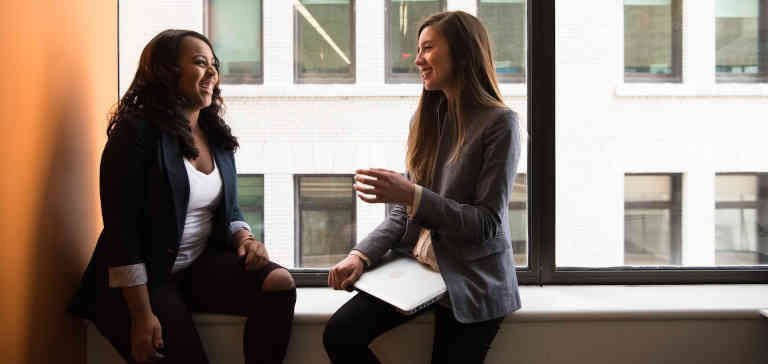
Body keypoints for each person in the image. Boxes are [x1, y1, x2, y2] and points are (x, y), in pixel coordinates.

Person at [68, 29, 296, 364]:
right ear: (166, 72)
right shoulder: (135, 133)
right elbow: (122, 233)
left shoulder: (214, 133)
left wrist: (245, 237)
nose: (212, 73)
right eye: (200, 63)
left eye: (214, 65)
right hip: (142, 283)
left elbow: (228, 208)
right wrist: (141, 317)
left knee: (279, 282)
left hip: (193, 267)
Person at [323, 11, 522, 364]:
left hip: (474, 280)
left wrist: (413, 195)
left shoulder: (500, 124)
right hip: (421, 270)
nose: (417, 60)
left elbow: (486, 223)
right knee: (340, 335)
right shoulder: (427, 118)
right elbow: (403, 214)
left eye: (427, 48)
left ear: (461, 53)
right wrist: (360, 255)